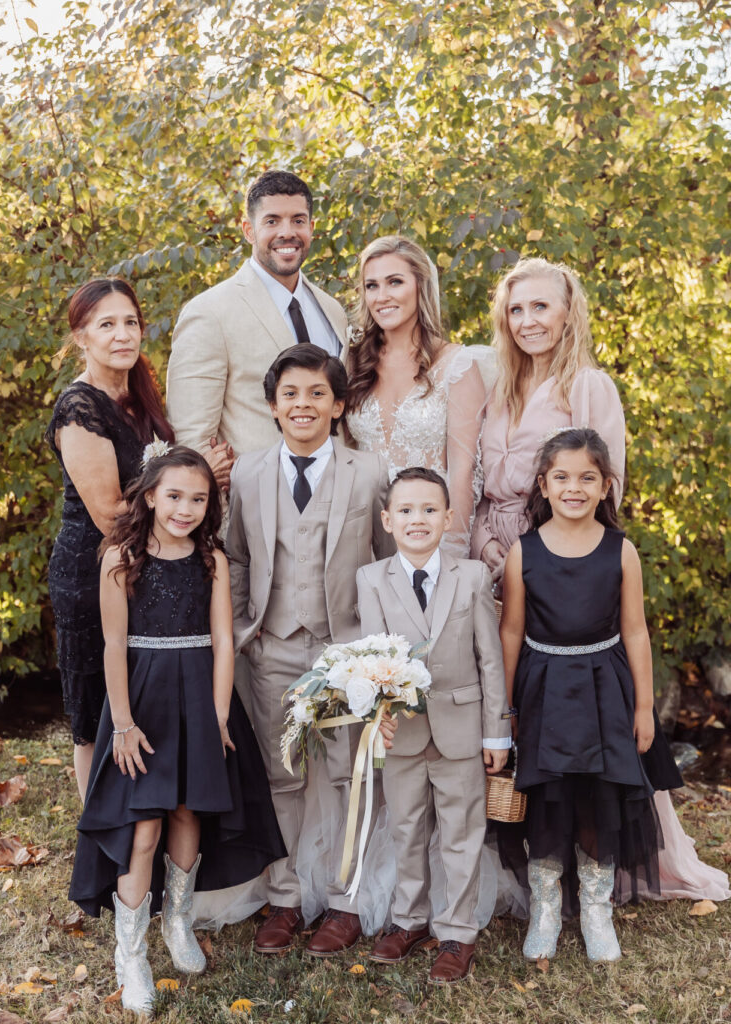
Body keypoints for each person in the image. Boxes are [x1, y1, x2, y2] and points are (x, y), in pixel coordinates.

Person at [67, 447, 284, 1015]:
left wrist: (217, 717)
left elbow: (221, 644)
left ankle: (179, 921)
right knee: (143, 829)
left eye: (198, 498)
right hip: (142, 700)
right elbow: (113, 644)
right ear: (148, 496)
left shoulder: (211, 560)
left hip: (200, 700)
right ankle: (131, 952)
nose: (185, 508)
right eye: (174, 496)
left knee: (189, 812)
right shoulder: (119, 555)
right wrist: (122, 722)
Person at [497, 428, 727, 962]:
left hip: (605, 689)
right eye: (562, 477)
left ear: (606, 486)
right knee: (549, 803)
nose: (573, 487)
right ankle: (547, 907)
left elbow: (637, 631)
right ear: (543, 485)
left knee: (599, 799)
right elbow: (510, 630)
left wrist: (644, 707)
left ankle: (598, 909)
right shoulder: (522, 552)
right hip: (544, 689)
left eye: (587, 478)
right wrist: (507, 706)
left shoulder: (620, 551)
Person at [224, 344, 393, 956]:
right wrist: (249, 630)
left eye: (317, 394)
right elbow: (237, 557)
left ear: (338, 405)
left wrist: (375, 649)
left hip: (346, 649)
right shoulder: (247, 471)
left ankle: (346, 902)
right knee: (283, 775)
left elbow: (386, 560)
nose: (303, 404)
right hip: (275, 647)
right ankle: (286, 896)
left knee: (351, 777)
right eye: (290, 394)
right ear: (272, 406)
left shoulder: (369, 472)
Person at [357, 467, 509, 985]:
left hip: (462, 728)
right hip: (402, 730)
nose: (416, 519)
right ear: (387, 519)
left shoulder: (471, 576)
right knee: (405, 828)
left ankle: (458, 931)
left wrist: (497, 732)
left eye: (428, 510)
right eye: (405, 510)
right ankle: (409, 918)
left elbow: (490, 659)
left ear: (448, 518)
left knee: (461, 833)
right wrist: (377, 722)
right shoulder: (371, 579)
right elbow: (371, 659)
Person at [45, 278, 180, 805]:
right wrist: (192, 485)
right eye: (107, 325)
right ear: (81, 336)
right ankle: (99, 836)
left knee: (138, 700)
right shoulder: (80, 407)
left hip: (145, 568)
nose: (122, 335)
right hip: (92, 570)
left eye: (130, 322)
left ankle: (141, 822)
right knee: (96, 710)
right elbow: (109, 515)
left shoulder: (137, 392)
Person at [166, 170, 349, 470]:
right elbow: (191, 440)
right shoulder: (209, 312)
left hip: (336, 499)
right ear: (248, 230)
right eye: (272, 221)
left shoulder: (333, 311)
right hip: (252, 506)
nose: (287, 232)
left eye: (298, 220)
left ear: (312, 228)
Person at [471, 258, 626, 581]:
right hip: (488, 564)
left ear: (568, 312)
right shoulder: (498, 390)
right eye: (516, 310)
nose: (527, 322)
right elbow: (481, 487)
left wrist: (535, 554)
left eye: (540, 306)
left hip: (559, 561)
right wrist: (482, 543)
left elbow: (605, 492)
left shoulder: (588, 386)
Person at [345, 236, 486, 557]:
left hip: (431, 539)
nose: (382, 297)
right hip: (363, 539)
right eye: (372, 286)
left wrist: (451, 554)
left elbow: (463, 471)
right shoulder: (353, 363)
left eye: (395, 282)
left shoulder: (457, 366)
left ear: (421, 286)